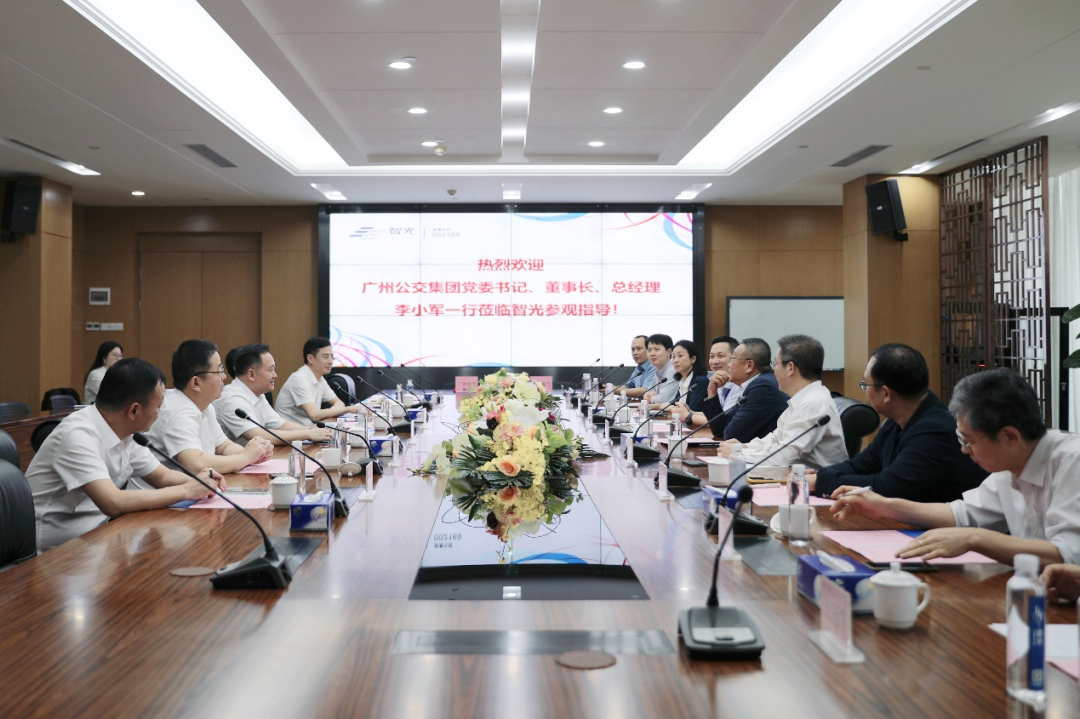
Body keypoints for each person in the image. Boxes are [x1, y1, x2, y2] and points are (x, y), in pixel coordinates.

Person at [830, 369, 1080, 567]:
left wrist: (974, 538)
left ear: (1009, 436)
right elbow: (962, 514)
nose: (964, 450)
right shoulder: (1009, 464)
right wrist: (885, 506)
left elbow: (1068, 554)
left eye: (968, 441)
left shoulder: (1073, 461)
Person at [27, 358, 221, 553]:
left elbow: (162, 476)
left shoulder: (126, 433)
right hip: (55, 552)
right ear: (134, 410)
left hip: (98, 538)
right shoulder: (77, 435)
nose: (159, 412)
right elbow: (113, 502)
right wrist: (187, 490)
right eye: (158, 406)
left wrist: (202, 481)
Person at [811, 344, 987, 501]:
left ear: (886, 394)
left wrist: (819, 482)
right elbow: (863, 464)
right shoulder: (895, 421)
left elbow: (887, 487)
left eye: (865, 385)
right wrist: (819, 474)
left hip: (949, 525)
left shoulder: (935, 431)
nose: (864, 390)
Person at [142, 339, 273, 484]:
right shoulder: (176, 411)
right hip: (163, 495)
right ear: (196, 383)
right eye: (219, 371)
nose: (224, 376)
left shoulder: (205, 405)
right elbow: (195, 464)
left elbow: (224, 446)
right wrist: (245, 458)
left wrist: (255, 452)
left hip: (195, 489)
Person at [720, 334, 846, 468]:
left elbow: (785, 455)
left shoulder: (813, 403)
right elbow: (775, 439)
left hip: (814, 479)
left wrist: (739, 454)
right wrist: (742, 447)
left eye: (775, 364)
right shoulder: (802, 399)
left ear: (790, 368)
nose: (773, 370)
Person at [215, 343, 334, 446]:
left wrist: (313, 431)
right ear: (251, 374)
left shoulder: (257, 394)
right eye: (271, 370)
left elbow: (282, 425)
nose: (275, 375)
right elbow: (259, 436)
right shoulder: (231, 399)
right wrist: (307, 434)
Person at [707, 338, 788, 442]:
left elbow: (732, 435)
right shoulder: (755, 384)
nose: (729, 365)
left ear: (749, 365)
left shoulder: (762, 387)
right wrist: (712, 391)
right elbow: (720, 429)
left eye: (732, 359)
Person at [275, 338, 360, 427]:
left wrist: (339, 410)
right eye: (325, 357)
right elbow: (314, 416)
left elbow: (339, 403)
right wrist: (347, 409)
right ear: (310, 358)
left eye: (332, 356)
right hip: (291, 433)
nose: (331, 362)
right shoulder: (299, 379)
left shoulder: (320, 378)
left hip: (309, 430)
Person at [684, 335, 741, 428]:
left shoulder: (739, 385)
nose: (714, 361)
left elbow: (721, 421)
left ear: (735, 358)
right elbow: (715, 415)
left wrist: (688, 416)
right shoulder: (717, 381)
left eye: (720, 356)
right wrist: (690, 412)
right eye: (712, 356)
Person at [669, 340, 711, 424]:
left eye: (680, 356)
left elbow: (692, 410)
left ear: (693, 359)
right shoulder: (683, 381)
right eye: (673, 357)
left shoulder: (699, 382)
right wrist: (652, 407)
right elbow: (673, 404)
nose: (675, 360)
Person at [641, 334, 678, 408]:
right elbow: (646, 395)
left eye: (657, 349)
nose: (652, 354)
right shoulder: (658, 370)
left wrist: (651, 398)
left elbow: (663, 400)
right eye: (649, 350)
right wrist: (651, 397)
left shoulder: (672, 371)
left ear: (669, 352)